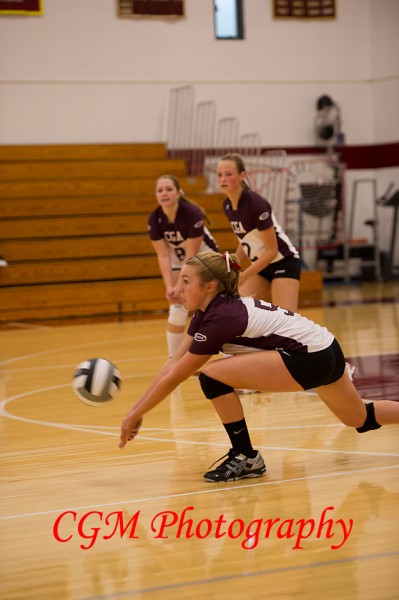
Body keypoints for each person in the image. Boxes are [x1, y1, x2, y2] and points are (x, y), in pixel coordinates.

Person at [119, 250, 399, 482]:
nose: (178, 289)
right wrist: (135, 410)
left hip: (310, 356)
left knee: (211, 376)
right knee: (359, 417)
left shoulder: (220, 319)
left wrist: (136, 414)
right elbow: (171, 365)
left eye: (185, 282)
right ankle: (246, 457)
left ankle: (245, 456)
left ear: (209, 287)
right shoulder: (209, 313)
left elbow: (175, 377)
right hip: (326, 348)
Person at [216, 152, 301, 313]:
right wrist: (232, 268)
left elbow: (271, 250)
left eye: (228, 174)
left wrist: (244, 275)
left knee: (287, 324)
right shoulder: (227, 205)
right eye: (219, 175)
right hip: (261, 266)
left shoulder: (255, 204)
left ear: (242, 176)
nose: (222, 179)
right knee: (239, 313)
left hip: (283, 261)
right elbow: (245, 240)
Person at [148, 174, 219, 357]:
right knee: (177, 307)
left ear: (179, 193)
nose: (164, 193)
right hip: (180, 264)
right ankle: (174, 361)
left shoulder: (191, 212)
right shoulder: (154, 219)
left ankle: (232, 357)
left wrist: (181, 284)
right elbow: (163, 256)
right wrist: (170, 288)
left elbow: (191, 254)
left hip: (205, 260)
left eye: (169, 189)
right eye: (160, 190)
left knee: (216, 309)